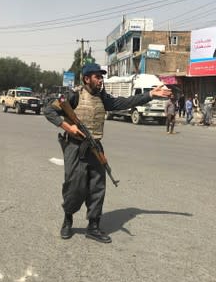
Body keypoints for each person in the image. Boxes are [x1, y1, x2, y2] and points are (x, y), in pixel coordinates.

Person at [44, 63, 171, 243]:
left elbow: (124, 102)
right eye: (97, 76)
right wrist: (67, 127)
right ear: (87, 79)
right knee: (74, 186)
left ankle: (93, 226)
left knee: (98, 187)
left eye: (101, 76)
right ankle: (68, 220)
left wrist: (149, 95)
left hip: (95, 147)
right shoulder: (73, 95)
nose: (101, 80)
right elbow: (48, 110)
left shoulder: (103, 98)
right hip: (75, 146)